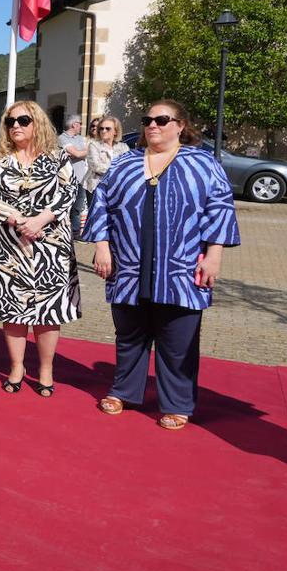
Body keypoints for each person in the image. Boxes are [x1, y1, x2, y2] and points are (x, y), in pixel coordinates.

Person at [84, 100, 241, 430]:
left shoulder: (203, 164)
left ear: (181, 125)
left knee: (178, 341)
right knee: (130, 335)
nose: (152, 125)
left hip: (181, 269)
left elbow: (221, 209)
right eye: (147, 119)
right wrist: (102, 247)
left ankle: (178, 403)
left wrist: (214, 255)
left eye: (162, 119)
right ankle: (124, 391)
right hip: (128, 266)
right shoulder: (125, 163)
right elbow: (101, 204)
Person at [0, 100, 81, 397]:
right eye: (10, 121)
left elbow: (69, 192)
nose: (15, 126)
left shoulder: (57, 157)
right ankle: (16, 366)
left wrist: (40, 220)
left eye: (23, 121)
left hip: (50, 245)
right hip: (9, 245)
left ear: (36, 122)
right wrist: (17, 219)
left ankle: (46, 369)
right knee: (12, 308)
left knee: (47, 312)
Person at [58, 114, 89, 238]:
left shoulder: (81, 138)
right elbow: (77, 152)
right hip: (67, 179)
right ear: (74, 124)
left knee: (77, 208)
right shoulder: (62, 138)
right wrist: (80, 153)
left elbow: (86, 152)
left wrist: (78, 153)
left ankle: (75, 234)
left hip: (81, 178)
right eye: (80, 123)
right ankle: (62, 232)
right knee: (65, 207)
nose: (81, 126)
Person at [84, 115, 130, 195]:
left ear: (115, 131)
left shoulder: (123, 147)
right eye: (101, 128)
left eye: (107, 128)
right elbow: (96, 167)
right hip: (96, 186)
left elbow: (127, 166)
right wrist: (118, 171)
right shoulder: (94, 145)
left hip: (117, 187)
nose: (104, 131)